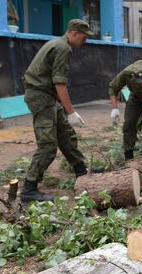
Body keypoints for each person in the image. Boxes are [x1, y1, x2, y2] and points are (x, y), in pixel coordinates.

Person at [21, 19, 93, 202]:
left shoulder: (58, 43)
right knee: (48, 147)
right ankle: (29, 189)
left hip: (47, 96)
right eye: (84, 38)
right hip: (40, 96)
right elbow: (59, 83)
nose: (85, 42)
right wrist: (71, 112)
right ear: (74, 33)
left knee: (66, 135)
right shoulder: (63, 48)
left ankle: (81, 172)